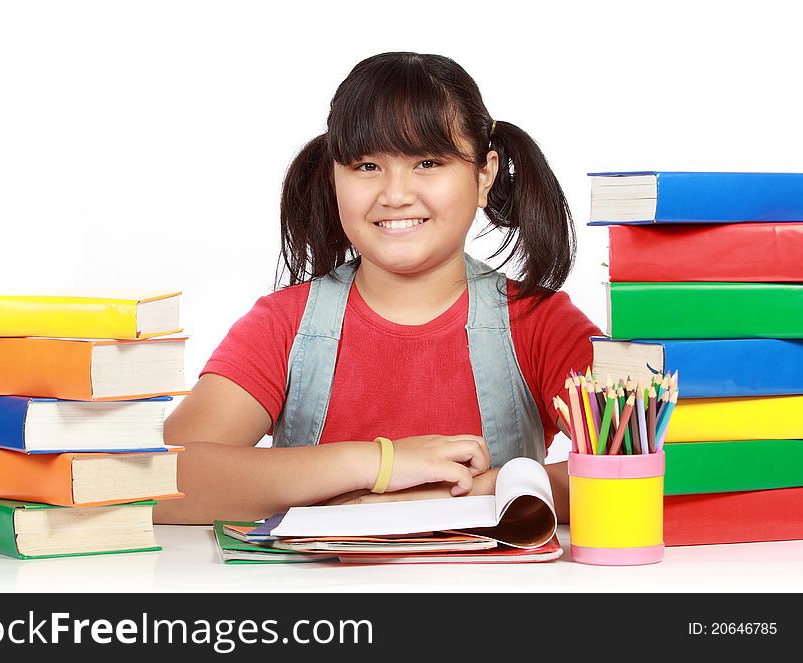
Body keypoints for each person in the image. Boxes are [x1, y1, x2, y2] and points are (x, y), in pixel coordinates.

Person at [155, 52, 601, 526]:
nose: (394, 194)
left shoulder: (541, 324)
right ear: (334, 176)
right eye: (367, 166)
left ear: (484, 175)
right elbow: (155, 482)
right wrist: (377, 464)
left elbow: (652, 467)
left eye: (427, 162)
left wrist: (482, 491)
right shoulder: (285, 325)